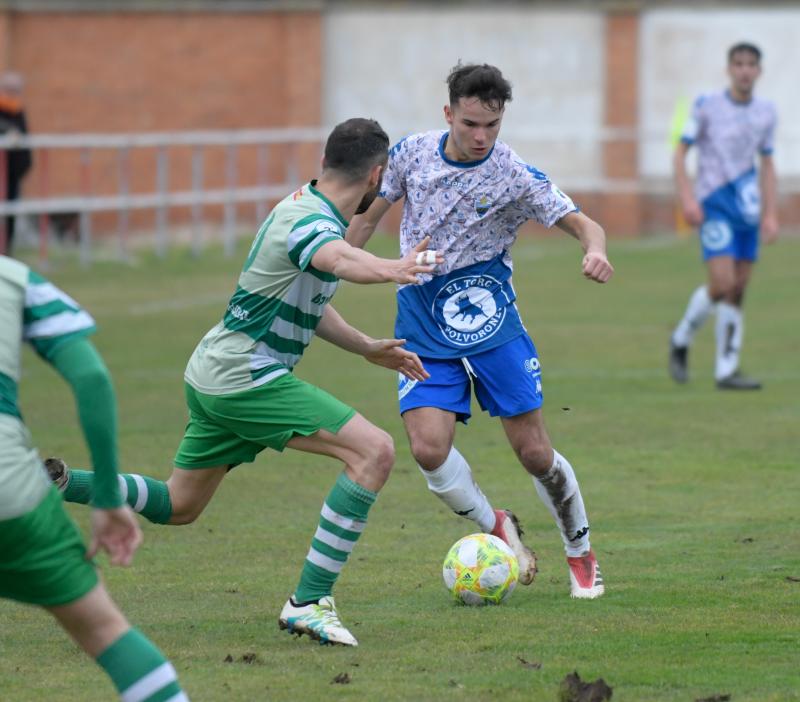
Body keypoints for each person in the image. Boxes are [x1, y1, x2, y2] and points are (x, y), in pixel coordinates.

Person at [48, 117, 441, 647]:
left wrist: (367, 347)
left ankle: (53, 481)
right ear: (376, 176)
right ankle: (308, 602)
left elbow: (311, 306)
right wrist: (394, 267)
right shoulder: (309, 221)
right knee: (374, 452)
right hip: (243, 378)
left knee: (178, 505)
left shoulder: (305, 206)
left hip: (217, 373)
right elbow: (339, 258)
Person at [346, 63, 613, 599]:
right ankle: (497, 525)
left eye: (492, 125)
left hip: (490, 318)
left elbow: (584, 222)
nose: (481, 137)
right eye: (470, 123)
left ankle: (580, 551)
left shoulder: (513, 174)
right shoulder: (411, 155)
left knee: (535, 453)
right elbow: (368, 219)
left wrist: (596, 248)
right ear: (449, 113)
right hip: (421, 317)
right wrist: (336, 260)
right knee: (427, 448)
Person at [0, 255, 188, 700]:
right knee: (106, 632)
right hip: (11, 495)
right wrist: (105, 497)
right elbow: (91, 377)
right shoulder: (13, 278)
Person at [669, 42, 778, 390]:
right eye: (739, 63)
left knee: (739, 287)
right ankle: (682, 337)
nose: (745, 70)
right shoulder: (707, 106)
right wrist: (688, 199)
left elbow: (768, 163)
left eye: (751, 64)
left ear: (758, 71)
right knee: (722, 284)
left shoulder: (766, 111)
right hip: (714, 204)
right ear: (729, 69)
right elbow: (680, 154)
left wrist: (771, 212)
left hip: (747, 208)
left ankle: (726, 370)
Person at [0, 72, 32, 255]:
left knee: (10, 215)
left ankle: (6, 252)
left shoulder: (18, 109)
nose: (13, 93)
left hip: (13, 173)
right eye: (10, 89)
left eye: (17, 90)